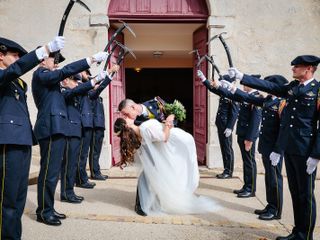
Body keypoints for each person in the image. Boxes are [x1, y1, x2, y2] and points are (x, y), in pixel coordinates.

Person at [228, 55, 320, 240]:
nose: (292, 69)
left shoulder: (317, 90)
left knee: (306, 195)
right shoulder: (293, 88)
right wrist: (243, 76)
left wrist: (316, 154)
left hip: (306, 150)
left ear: (309, 68)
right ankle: (297, 232)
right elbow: (272, 87)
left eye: (297, 66)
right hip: (291, 148)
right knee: (295, 192)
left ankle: (306, 235)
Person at [32, 48, 108, 226]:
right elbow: (66, 74)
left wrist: (94, 81)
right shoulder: (41, 74)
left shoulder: (51, 81)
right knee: (49, 173)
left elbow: (75, 89)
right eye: (54, 60)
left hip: (57, 128)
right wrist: (90, 59)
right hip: (50, 128)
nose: (57, 64)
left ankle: (47, 207)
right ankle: (44, 211)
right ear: (42, 60)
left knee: (53, 173)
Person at [0, 36, 64, 239]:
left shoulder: (16, 82)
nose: (18, 58)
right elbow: (15, 70)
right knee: (7, 199)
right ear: (1, 55)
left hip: (22, 139)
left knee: (18, 198)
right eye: (15, 55)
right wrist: (44, 50)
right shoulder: (5, 76)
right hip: (7, 141)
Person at [114, 116, 218, 215]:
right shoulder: (143, 129)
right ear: (127, 124)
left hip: (154, 159)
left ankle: (143, 206)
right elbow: (164, 137)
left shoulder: (135, 134)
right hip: (157, 159)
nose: (127, 117)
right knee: (149, 179)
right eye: (125, 118)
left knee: (146, 179)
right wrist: (168, 122)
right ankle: (143, 206)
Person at [220, 75, 288, 220]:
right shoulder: (269, 100)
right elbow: (248, 98)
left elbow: (284, 130)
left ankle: (276, 210)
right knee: (269, 179)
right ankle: (270, 206)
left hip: (274, 148)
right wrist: (233, 88)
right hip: (266, 147)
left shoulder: (282, 103)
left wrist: (278, 150)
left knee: (275, 179)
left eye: (268, 84)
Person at [197, 70, 262, 198]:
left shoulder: (256, 98)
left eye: (246, 83)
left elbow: (255, 120)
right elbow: (223, 92)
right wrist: (206, 81)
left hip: (248, 136)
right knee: (246, 161)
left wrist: (249, 138)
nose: (243, 85)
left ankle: (251, 188)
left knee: (249, 162)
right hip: (242, 134)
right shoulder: (245, 95)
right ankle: (246, 186)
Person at [60, 72, 107, 204]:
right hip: (69, 131)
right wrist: (92, 82)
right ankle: (66, 193)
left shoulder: (75, 92)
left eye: (77, 81)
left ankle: (69, 191)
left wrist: (106, 78)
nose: (77, 84)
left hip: (76, 130)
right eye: (74, 81)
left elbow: (92, 94)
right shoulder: (63, 91)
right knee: (68, 164)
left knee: (72, 163)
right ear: (65, 80)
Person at [118, 97, 167, 215]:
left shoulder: (156, 102)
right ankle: (140, 204)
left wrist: (169, 124)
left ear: (133, 107)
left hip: (162, 143)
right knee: (146, 173)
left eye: (126, 113)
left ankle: (157, 202)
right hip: (146, 147)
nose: (125, 116)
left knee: (160, 173)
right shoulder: (130, 121)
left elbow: (171, 114)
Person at [199, 73, 239, 179]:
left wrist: (230, 127)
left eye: (223, 83)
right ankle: (226, 169)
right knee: (223, 147)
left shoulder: (233, 94)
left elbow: (234, 112)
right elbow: (213, 89)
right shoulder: (224, 93)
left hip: (226, 126)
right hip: (221, 125)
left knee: (227, 148)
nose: (221, 85)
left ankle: (229, 171)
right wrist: (204, 79)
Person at [88, 65, 120, 180]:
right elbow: (100, 87)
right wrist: (110, 75)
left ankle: (97, 171)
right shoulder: (91, 92)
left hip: (99, 125)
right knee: (94, 151)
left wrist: (108, 73)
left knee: (97, 150)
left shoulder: (95, 94)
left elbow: (99, 81)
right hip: (95, 125)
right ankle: (95, 173)